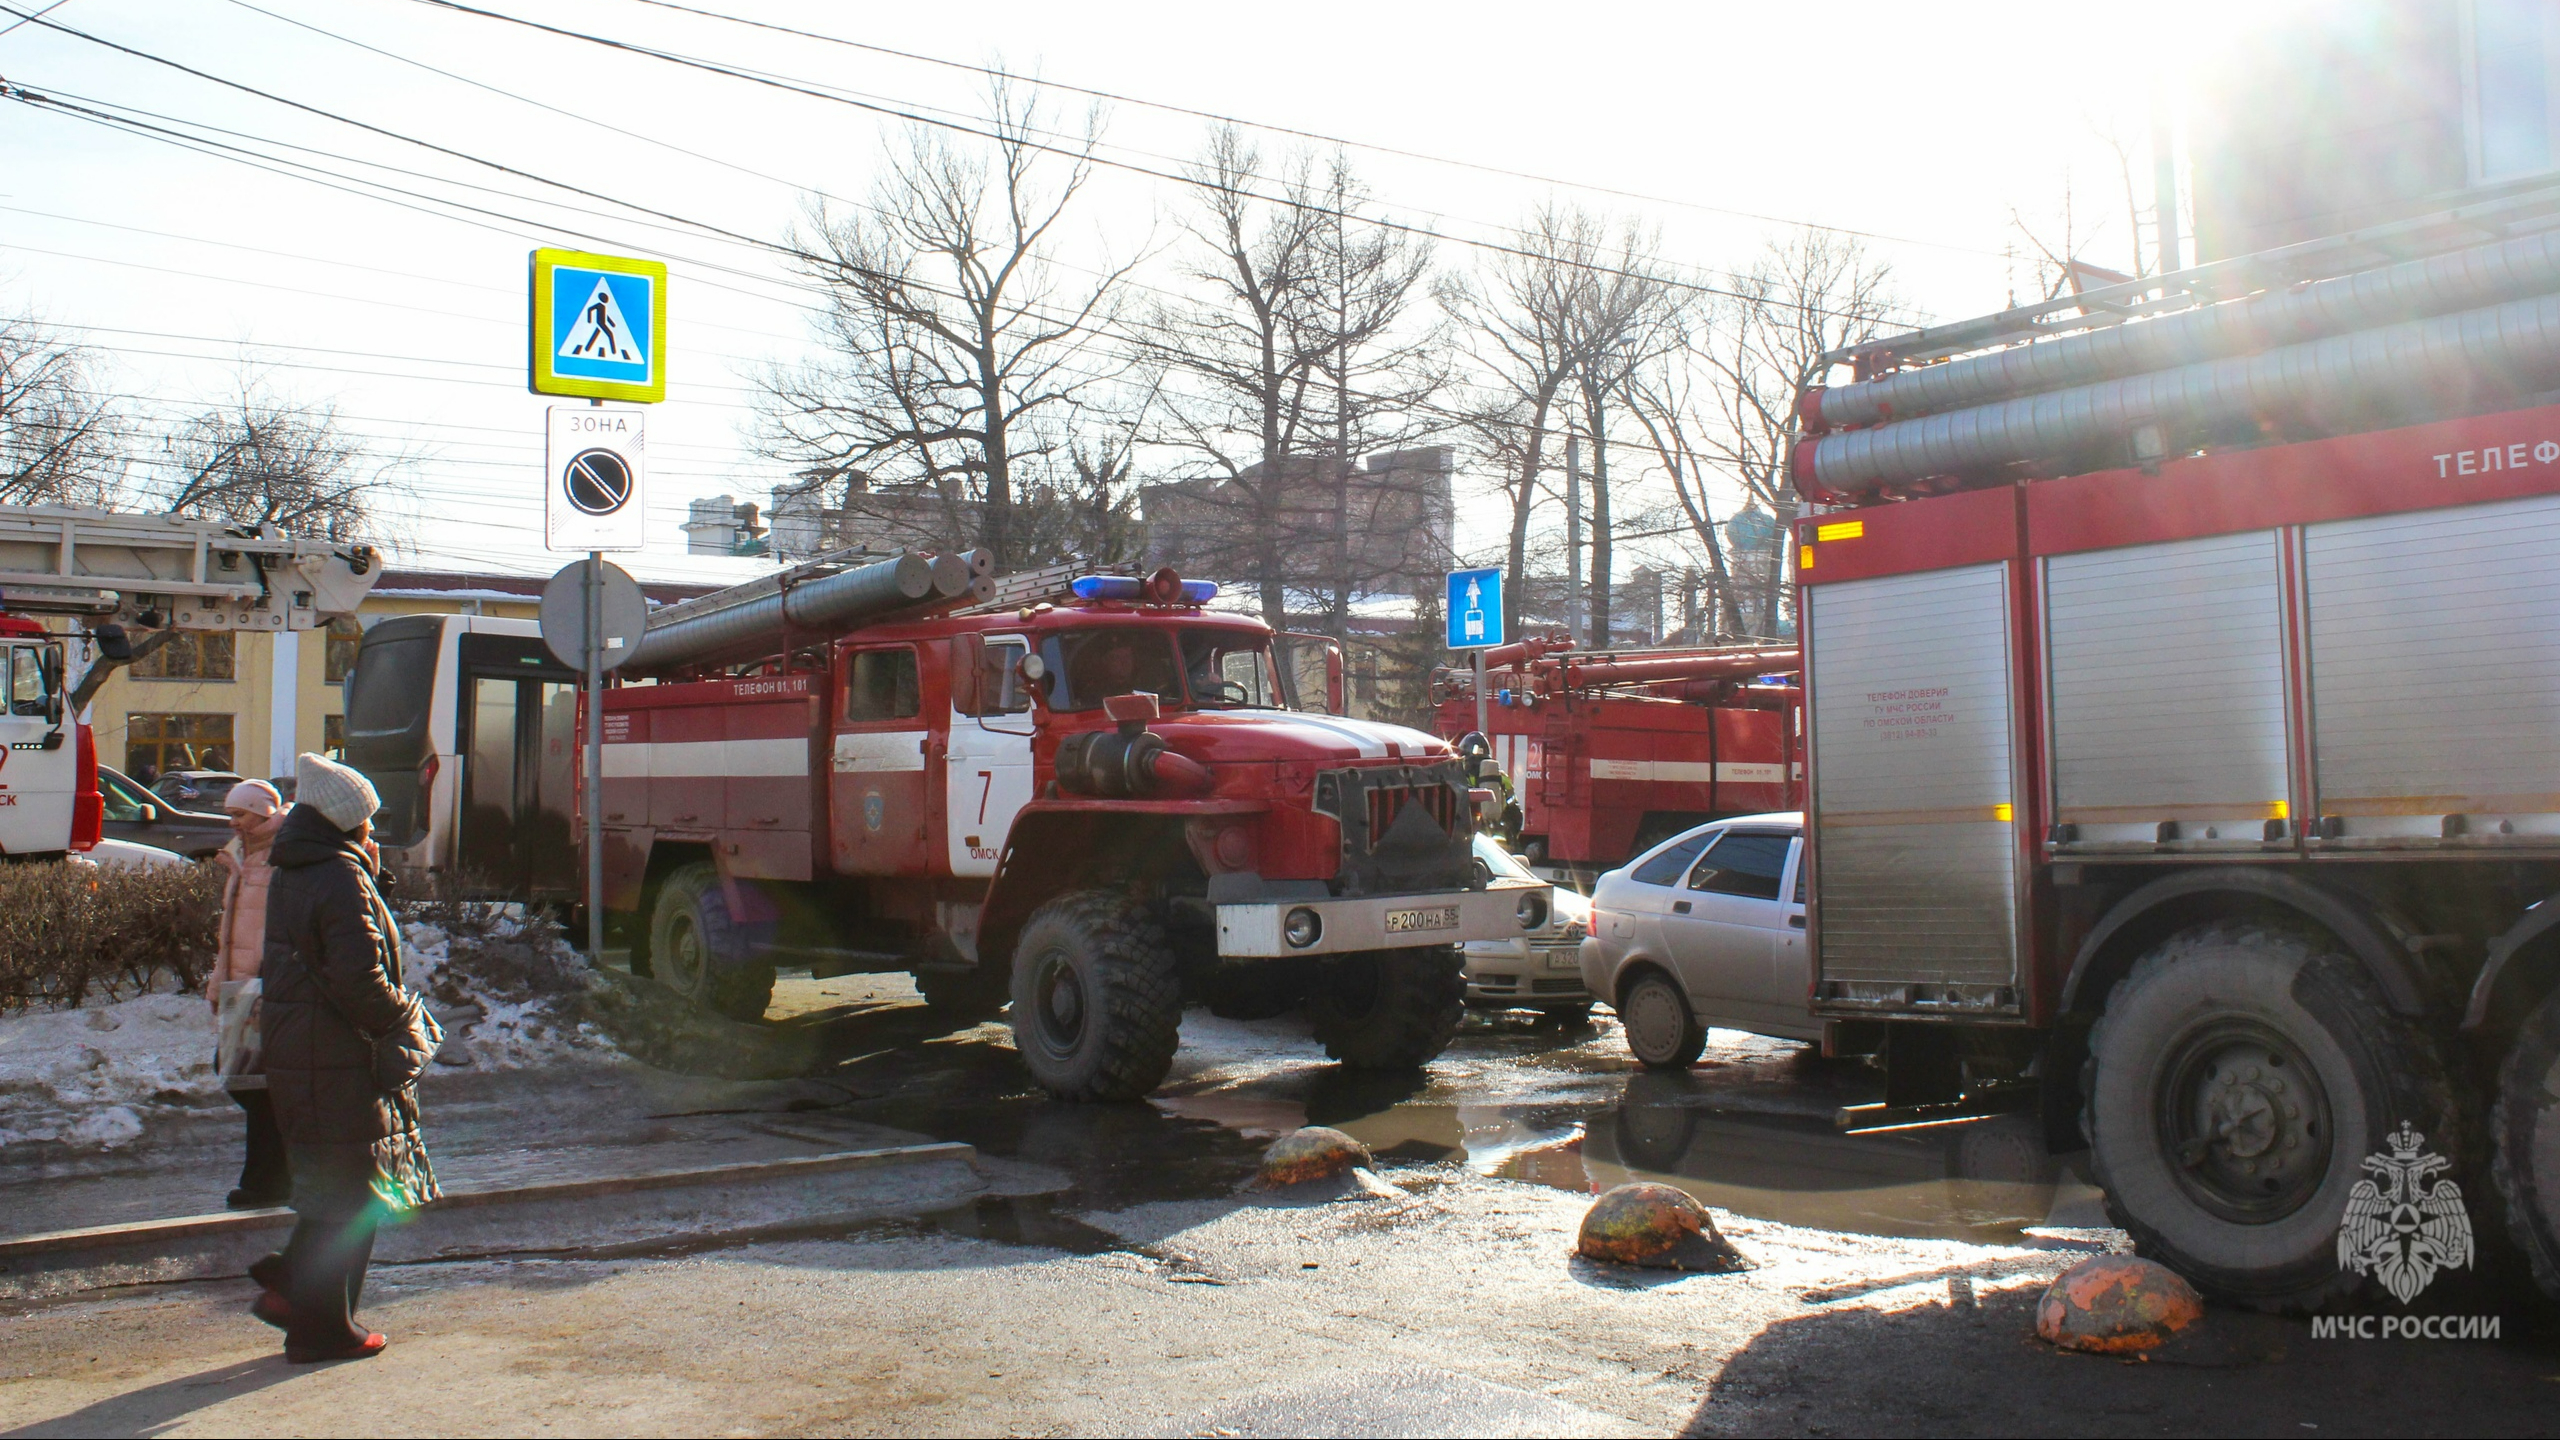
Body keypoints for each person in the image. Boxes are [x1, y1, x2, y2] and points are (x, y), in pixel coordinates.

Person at [252, 752, 439, 1363]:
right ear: (345, 822)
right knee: (356, 1194)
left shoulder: (303, 865)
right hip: (335, 1052)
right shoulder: (336, 873)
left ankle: (294, 1294)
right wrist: (403, 1021)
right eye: (367, 823)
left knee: (341, 1183)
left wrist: (372, 882)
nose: (373, 833)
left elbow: (336, 942)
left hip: (306, 1046)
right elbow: (358, 975)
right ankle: (321, 1327)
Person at [206, 778, 290, 1208]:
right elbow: (232, 930)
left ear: (262, 811)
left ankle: (265, 1182)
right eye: (231, 815)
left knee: (256, 1086)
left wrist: (264, 980)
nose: (234, 823)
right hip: (242, 988)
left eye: (240, 814)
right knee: (241, 1077)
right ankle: (275, 1177)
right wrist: (220, 984)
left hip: (265, 987)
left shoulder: (283, 856)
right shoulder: (242, 855)